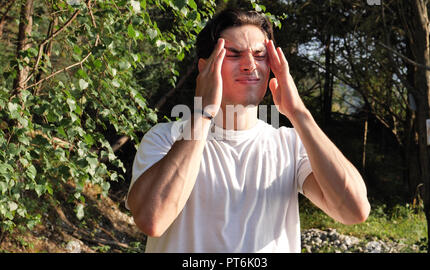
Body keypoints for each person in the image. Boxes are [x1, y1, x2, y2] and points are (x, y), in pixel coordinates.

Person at [126, 8, 370, 253]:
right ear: (205, 68)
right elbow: (152, 220)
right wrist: (203, 112)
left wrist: (299, 113)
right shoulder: (165, 138)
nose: (249, 64)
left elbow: (354, 210)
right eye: (233, 54)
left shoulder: (291, 145)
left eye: (260, 54)